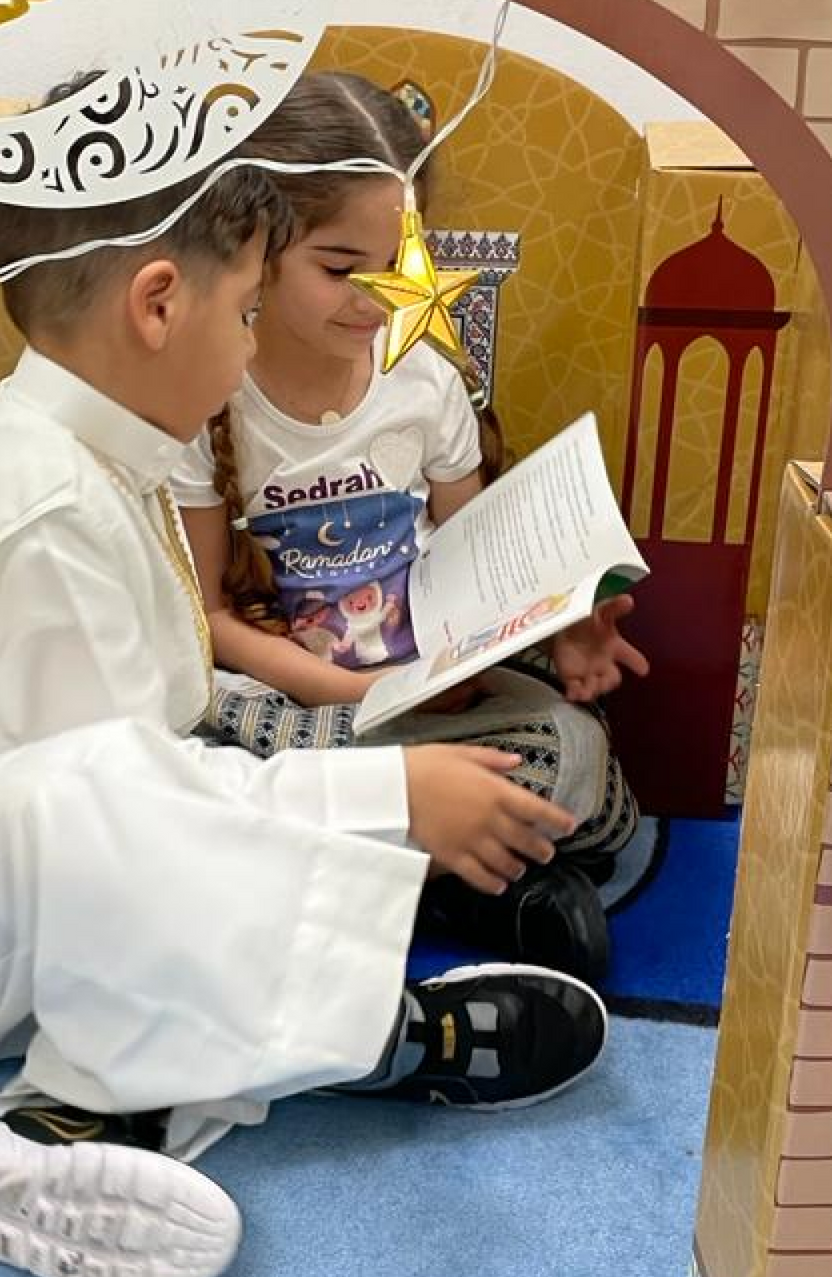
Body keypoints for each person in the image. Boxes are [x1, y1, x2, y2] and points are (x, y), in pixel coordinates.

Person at [0, 78, 610, 1277]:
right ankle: (362, 1041)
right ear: (160, 304)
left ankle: (87, 1123)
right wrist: (384, 800)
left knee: (228, 791)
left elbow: (163, 769)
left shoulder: (109, 459)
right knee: (170, 807)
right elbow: (129, 807)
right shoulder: (39, 504)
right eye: (250, 311)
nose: (256, 345)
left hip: (33, 887)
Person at [174, 72, 650, 982]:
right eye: (340, 269)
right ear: (258, 252)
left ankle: (407, 865)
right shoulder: (210, 402)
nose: (372, 299)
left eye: (392, 267)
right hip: (299, 712)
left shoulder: (422, 387)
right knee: (200, 759)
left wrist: (571, 620)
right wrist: (352, 698)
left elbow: (482, 575)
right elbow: (210, 624)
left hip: (429, 703)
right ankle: (466, 878)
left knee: (569, 753)